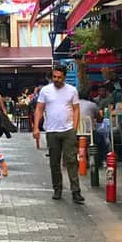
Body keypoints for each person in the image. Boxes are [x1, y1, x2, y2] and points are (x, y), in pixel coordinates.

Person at [33, 65, 83, 204]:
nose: (56, 80)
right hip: (52, 130)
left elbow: (76, 109)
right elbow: (39, 109)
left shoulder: (72, 90)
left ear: (64, 77)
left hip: (68, 130)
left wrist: (75, 127)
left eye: (59, 77)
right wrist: (36, 127)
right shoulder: (45, 91)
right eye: (54, 77)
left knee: (71, 160)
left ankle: (76, 191)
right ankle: (57, 189)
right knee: (54, 162)